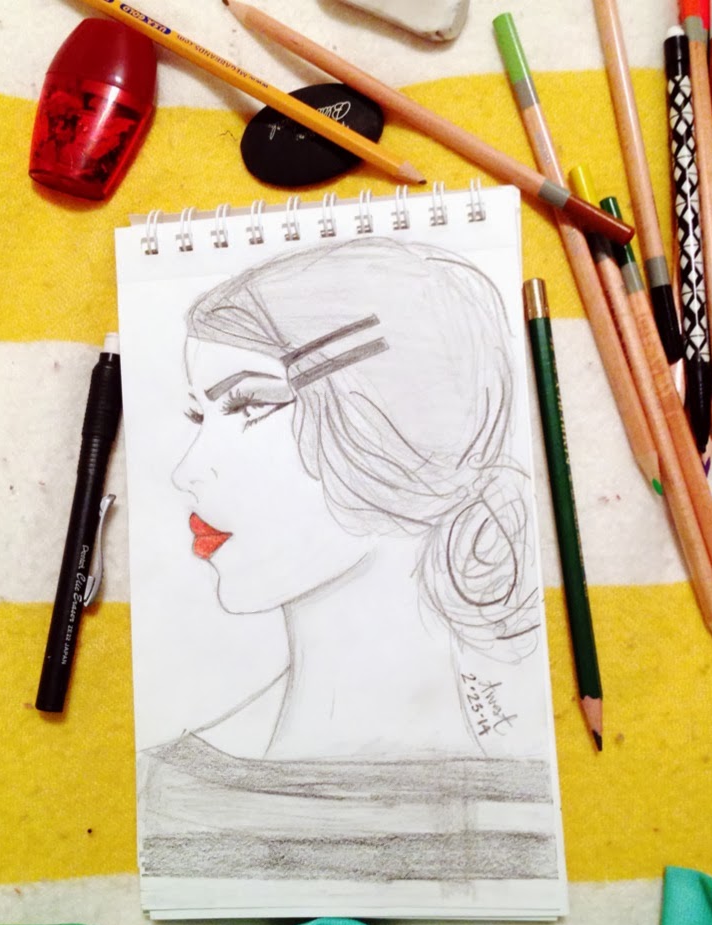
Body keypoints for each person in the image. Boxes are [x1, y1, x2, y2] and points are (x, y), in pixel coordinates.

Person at [137, 237, 557, 890]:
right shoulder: (170, 790)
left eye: (248, 406)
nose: (187, 469)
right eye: (198, 416)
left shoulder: (529, 814)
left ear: (397, 423)